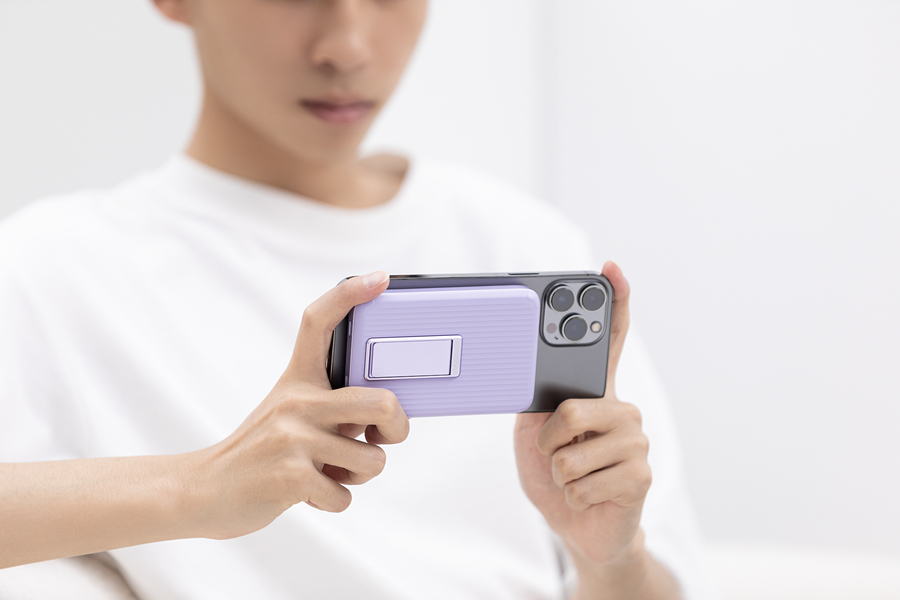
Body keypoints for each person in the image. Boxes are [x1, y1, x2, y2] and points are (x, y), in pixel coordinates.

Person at [0, 1, 712, 598]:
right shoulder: (54, 270)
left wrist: (607, 559)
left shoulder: (521, 240)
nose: (348, 48)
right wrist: (201, 487)